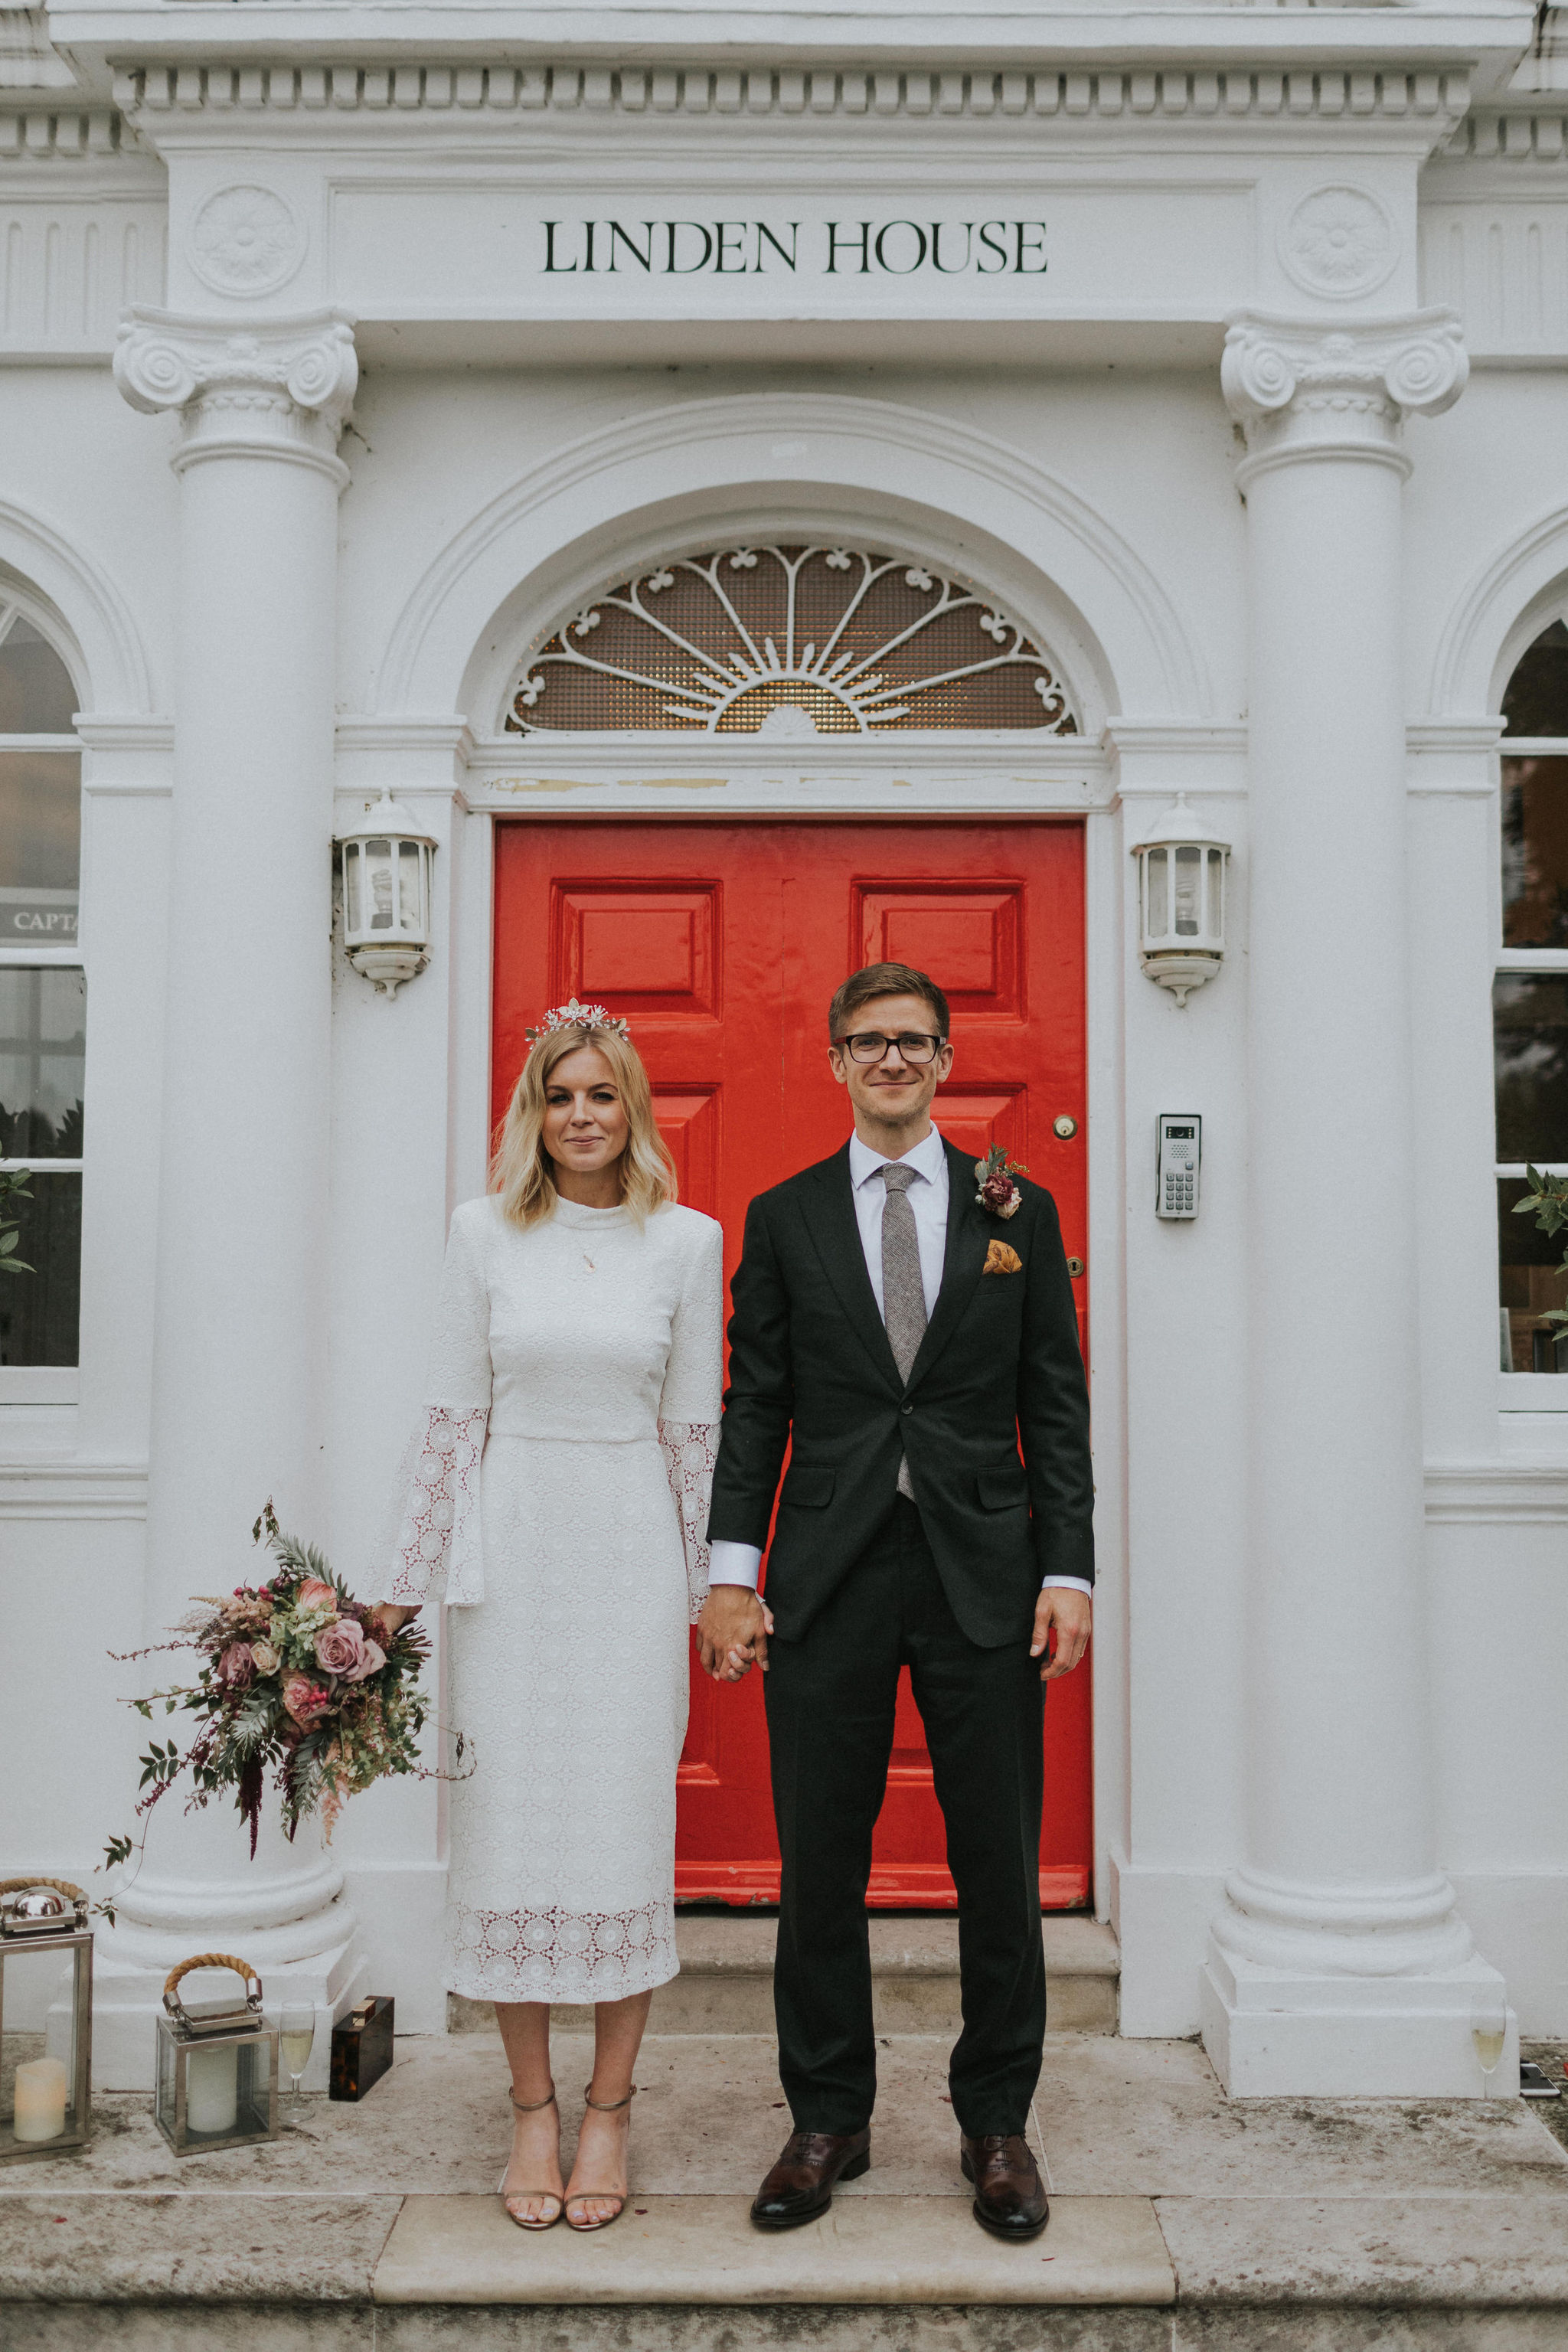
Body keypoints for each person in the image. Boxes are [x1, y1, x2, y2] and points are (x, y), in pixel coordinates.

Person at [698, 961, 1093, 2243]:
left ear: (943, 1057)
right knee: (821, 1858)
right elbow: (758, 1403)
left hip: (985, 1565)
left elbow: (1055, 1402)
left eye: (914, 1041)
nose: (892, 1060)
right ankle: (828, 2118)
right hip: (829, 1568)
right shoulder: (786, 1214)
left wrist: (1068, 1569)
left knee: (997, 1858)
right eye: (868, 1042)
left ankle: (996, 2122)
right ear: (834, 1061)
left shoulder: (1016, 1208)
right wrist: (729, 1573)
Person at [374, 1000, 724, 2233]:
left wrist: (713, 1594)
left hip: (628, 1560)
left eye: (603, 1095)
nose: (583, 1116)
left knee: (621, 1827)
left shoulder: (688, 1242)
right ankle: (532, 2110)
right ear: (536, 1112)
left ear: (633, 1108)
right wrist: (396, 1600)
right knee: (513, 1828)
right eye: (561, 1096)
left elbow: (696, 1436)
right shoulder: (483, 1235)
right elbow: (450, 1417)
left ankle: (611, 2109)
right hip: (512, 1564)